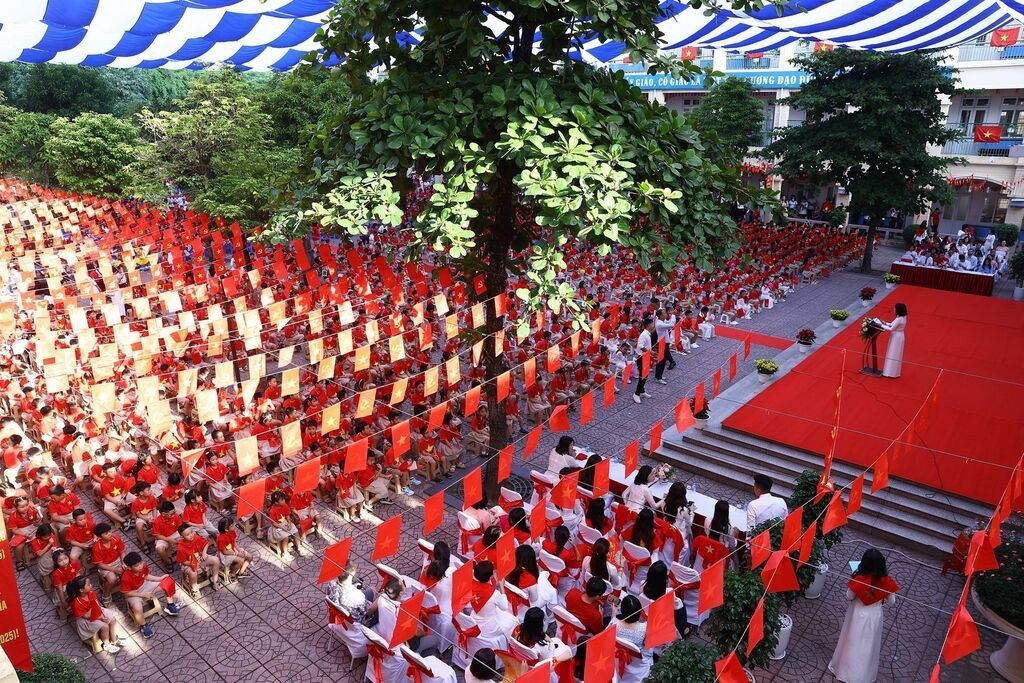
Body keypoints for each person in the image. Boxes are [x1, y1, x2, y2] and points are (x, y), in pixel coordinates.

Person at [828, 548, 900, 683]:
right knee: (868, 645)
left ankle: (844, 671)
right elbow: (892, 602)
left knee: (851, 641)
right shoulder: (887, 581)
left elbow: (849, 596)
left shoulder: (859, 579)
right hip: (874, 615)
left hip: (856, 613)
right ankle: (863, 676)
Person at [66, 576, 126, 653]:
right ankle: (107, 645)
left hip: (96, 611)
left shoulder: (90, 592)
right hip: (87, 619)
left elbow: (96, 603)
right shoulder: (76, 603)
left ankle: (114, 640)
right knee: (105, 626)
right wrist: (100, 617)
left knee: (112, 619)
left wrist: (101, 614)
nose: (91, 585)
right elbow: (86, 616)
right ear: (81, 590)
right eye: (88, 585)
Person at [641, 561, 692, 638]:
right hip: (663, 616)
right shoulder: (669, 592)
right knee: (680, 605)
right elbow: (677, 606)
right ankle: (683, 629)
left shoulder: (642, 586)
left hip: (650, 612)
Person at [613, 595, 652, 681]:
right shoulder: (645, 628)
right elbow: (649, 649)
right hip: (638, 663)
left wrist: (613, 616)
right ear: (639, 612)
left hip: (617, 659)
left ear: (622, 610)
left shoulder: (614, 624)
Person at [879, 303, 907, 379]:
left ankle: (890, 372)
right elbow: (892, 324)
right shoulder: (902, 317)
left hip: (896, 337)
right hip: (898, 336)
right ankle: (892, 372)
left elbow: (891, 328)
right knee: (894, 353)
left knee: (893, 353)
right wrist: (885, 323)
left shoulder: (899, 319)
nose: (894, 310)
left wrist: (880, 325)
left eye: (895, 308)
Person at [633, 317, 654, 404]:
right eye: (652, 324)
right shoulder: (643, 335)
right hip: (641, 357)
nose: (653, 325)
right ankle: (636, 394)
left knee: (645, 375)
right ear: (648, 325)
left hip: (646, 357)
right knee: (643, 376)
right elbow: (640, 346)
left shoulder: (648, 334)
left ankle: (642, 391)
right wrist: (650, 352)